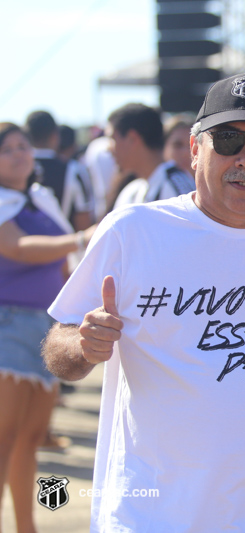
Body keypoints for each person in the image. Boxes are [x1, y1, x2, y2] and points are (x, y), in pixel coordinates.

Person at [41, 73, 245, 532]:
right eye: (228, 139)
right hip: (150, 517)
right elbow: (58, 348)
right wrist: (83, 345)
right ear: (194, 150)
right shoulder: (131, 232)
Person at [0, 122, 96, 533]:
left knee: (33, 435)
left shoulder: (41, 197)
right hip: (9, 325)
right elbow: (16, 246)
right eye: (9, 149)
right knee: (3, 438)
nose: (21, 153)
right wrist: (79, 239)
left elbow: (62, 264)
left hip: (48, 326)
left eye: (24, 145)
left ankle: (26, 527)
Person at [105, 103, 195, 211]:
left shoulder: (175, 187)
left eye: (113, 139)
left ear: (132, 138)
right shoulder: (133, 190)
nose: (108, 148)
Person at [24, 110, 94, 231]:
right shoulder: (73, 170)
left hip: (19, 246)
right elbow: (83, 219)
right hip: (65, 245)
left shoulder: (13, 170)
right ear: (55, 136)